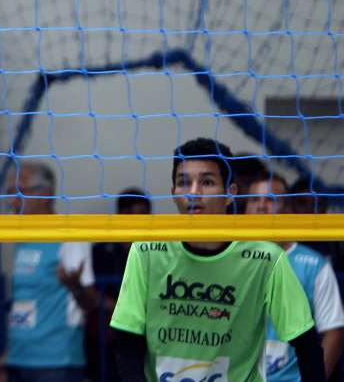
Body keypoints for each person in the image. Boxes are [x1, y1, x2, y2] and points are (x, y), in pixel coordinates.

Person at [111, 138, 324, 382]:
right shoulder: (146, 251)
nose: (193, 192)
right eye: (183, 182)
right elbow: (126, 341)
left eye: (207, 182)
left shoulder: (266, 259)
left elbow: (307, 344)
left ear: (229, 194)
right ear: (173, 193)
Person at [0, 163, 97, 382]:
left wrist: (75, 286)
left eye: (19, 192)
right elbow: (27, 305)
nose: (12, 201)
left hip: (57, 364)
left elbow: (91, 302)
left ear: (45, 195)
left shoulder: (69, 236)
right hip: (20, 361)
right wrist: (9, 356)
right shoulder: (24, 240)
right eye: (9, 193)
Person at [245, 174, 344, 380]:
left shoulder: (314, 265)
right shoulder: (231, 258)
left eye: (271, 199)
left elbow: (334, 331)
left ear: (288, 209)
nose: (261, 206)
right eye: (254, 199)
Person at [87, 189, 152, 381]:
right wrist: (119, 309)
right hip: (104, 342)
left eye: (142, 213)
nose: (136, 219)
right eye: (129, 213)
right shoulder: (101, 252)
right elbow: (90, 295)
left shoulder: (159, 252)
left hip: (146, 342)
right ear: (119, 216)